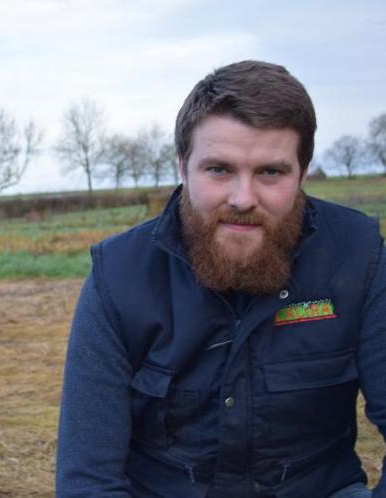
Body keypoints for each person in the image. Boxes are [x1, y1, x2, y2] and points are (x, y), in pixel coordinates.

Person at [55, 60, 386, 498]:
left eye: (271, 171)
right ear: (183, 167)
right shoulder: (118, 275)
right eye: (219, 169)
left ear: (302, 175)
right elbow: (88, 480)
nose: (243, 198)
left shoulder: (358, 254)